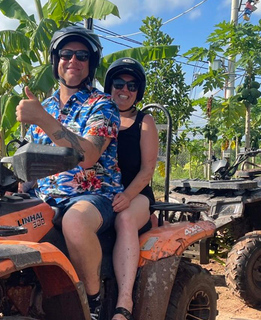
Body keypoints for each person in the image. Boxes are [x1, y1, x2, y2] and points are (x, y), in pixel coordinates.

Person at [15, 25, 123, 319]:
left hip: (92, 196)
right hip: (45, 198)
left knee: (74, 222)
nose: (73, 60)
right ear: (55, 60)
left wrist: (43, 118)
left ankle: (93, 303)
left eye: (82, 56)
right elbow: (30, 162)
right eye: (66, 53)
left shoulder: (102, 105)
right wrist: (15, 185)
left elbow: (87, 156)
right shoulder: (44, 106)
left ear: (91, 64)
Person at [104, 57, 159, 320]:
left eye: (131, 85)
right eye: (118, 83)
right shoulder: (97, 115)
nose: (124, 90)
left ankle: (123, 303)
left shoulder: (144, 121)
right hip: (101, 192)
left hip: (135, 195)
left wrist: (127, 196)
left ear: (138, 91)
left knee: (124, 219)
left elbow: (147, 170)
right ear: (109, 85)